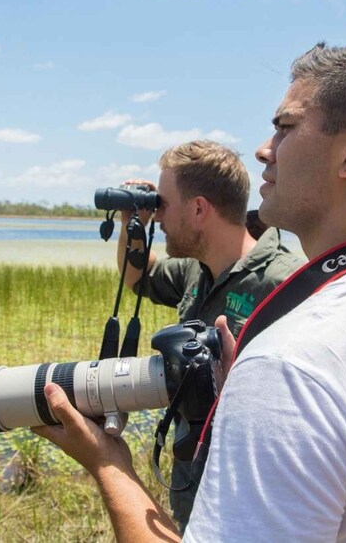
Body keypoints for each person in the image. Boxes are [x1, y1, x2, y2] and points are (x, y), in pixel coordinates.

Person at [32, 42, 346, 542]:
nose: (264, 149)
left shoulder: (292, 359)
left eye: (285, 127)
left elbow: (296, 382)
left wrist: (108, 464)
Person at [115, 139, 304, 530]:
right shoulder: (195, 271)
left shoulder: (285, 281)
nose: (160, 217)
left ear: (199, 208)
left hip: (249, 499)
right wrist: (132, 224)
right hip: (194, 487)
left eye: (162, 205)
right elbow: (137, 278)